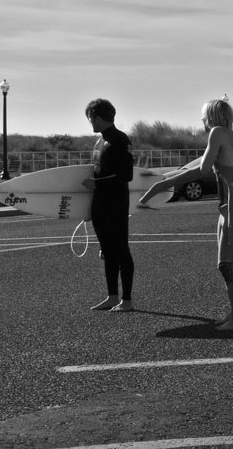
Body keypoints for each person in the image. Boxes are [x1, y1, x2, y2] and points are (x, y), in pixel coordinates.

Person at [139, 98, 233, 331]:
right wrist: (164, 179)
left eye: (203, 116)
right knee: (227, 263)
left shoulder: (218, 132)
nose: (201, 120)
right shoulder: (224, 135)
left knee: (227, 263)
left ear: (210, 117)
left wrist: (163, 185)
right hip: (229, 207)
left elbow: (202, 170)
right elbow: (196, 165)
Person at [82, 98, 136, 313]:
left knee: (121, 250)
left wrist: (97, 184)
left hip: (116, 203)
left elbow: (126, 176)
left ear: (97, 117)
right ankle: (112, 297)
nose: (90, 122)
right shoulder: (99, 141)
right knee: (107, 250)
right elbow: (98, 173)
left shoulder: (120, 140)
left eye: (90, 118)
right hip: (100, 203)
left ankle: (127, 300)